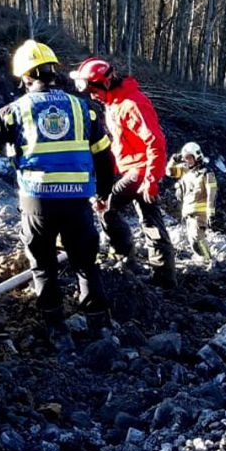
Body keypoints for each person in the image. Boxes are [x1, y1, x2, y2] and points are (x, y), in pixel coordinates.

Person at [0, 40, 115, 345]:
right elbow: (105, 159)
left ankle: (57, 332)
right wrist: (103, 195)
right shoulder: (85, 110)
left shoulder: (14, 112)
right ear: (54, 73)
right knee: (86, 265)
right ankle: (101, 331)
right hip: (78, 202)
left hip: (38, 203)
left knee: (43, 266)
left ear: (25, 77)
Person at [70, 57, 177, 288]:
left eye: (93, 90)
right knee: (151, 220)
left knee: (106, 206)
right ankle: (164, 276)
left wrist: (151, 180)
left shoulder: (131, 104)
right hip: (135, 169)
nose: (92, 95)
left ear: (105, 83)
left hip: (141, 171)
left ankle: (125, 257)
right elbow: (124, 143)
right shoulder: (114, 104)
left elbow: (155, 142)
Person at [167, 141, 218, 267]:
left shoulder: (206, 173)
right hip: (188, 211)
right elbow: (169, 172)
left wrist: (210, 213)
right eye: (185, 158)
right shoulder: (185, 170)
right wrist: (174, 159)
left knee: (197, 239)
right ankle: (204, 259)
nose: (187, 161)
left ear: (197, 156)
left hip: (200, 212)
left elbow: (212, 193)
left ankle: (207, 259)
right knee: (192, 239)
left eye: (189, 157)